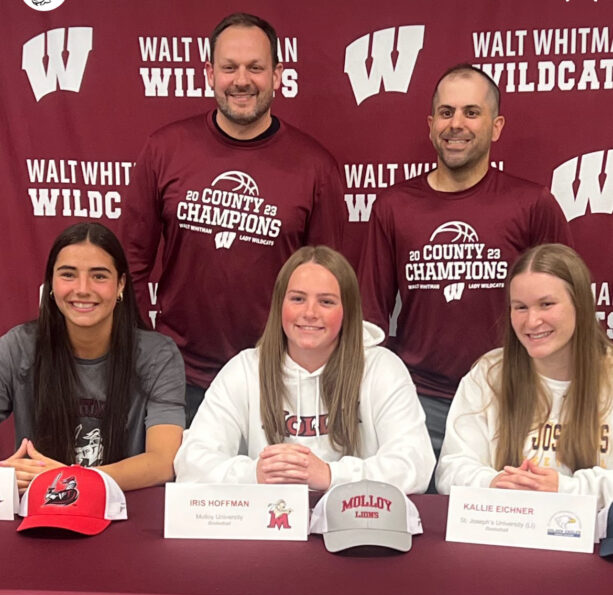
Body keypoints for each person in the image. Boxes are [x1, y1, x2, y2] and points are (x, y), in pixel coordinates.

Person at [123, 11, 345, 425]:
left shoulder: (316, 167)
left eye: (256, 67)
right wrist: (147, 345)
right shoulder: (164, 149)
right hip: (178, 375)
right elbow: (130, 263)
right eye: (229, 67)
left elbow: (329, 281)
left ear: (278, 75)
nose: (242, 80)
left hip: (277, 375)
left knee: (276, 490)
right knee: (177, 489)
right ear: (209, 73)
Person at [358, 63, 572, 459]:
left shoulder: (531, 204)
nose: (456, 124)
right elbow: (370, 319)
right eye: (446, 112)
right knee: (423, 519)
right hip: (420, 401)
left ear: (496, 125)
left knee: (504, 515)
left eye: (471, 112)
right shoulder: (394, 206)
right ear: (430, 124)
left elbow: (565, 308)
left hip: (509, 399)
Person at [174, 246, 434, 494]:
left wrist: (331, 475)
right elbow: (191, 462)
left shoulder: (381, 369)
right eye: (298, 299)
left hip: (355, 525)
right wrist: (256, 473)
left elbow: (415, 463)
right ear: (279, 306)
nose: (310, 313)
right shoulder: (244, 369)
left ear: (348, 311)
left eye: (326, 302)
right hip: (268, 527)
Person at [0, 222, 185, 494]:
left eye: (99, 276)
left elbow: (163, 462)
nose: (83, 289)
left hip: (125, 515)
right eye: (68, 275)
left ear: (121, 284)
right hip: (37, 513)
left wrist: (68, 478)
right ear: (50, 283)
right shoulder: (18, 347)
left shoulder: (158, 356)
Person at [435, 244, 613, 507]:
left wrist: (563, 489)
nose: (531, 322)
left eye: (546, 304)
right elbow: (451, 469)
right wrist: (494, 483)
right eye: (520, 307)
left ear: (581, 304)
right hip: (505, 536)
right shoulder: (488, 374)